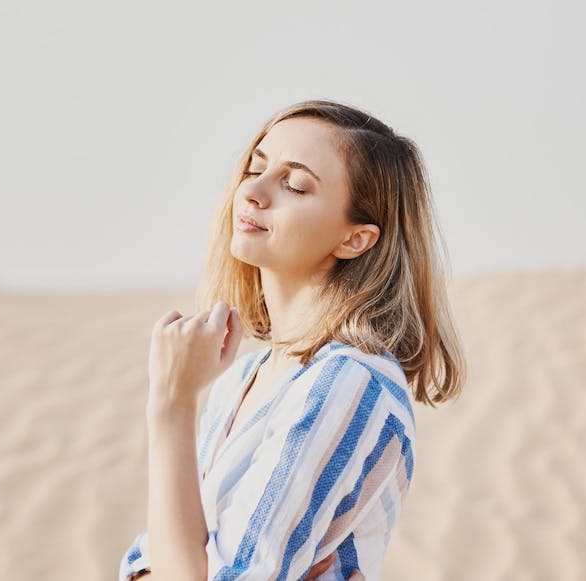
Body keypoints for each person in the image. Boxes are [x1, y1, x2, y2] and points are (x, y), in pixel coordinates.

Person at [118, 99, 467, 580]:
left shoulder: (348, 382)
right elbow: (150, 561)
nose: (253, 193)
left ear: (354, 239)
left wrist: (171, 406)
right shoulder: (244, 376)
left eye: (295, 185)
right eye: (255, 167)